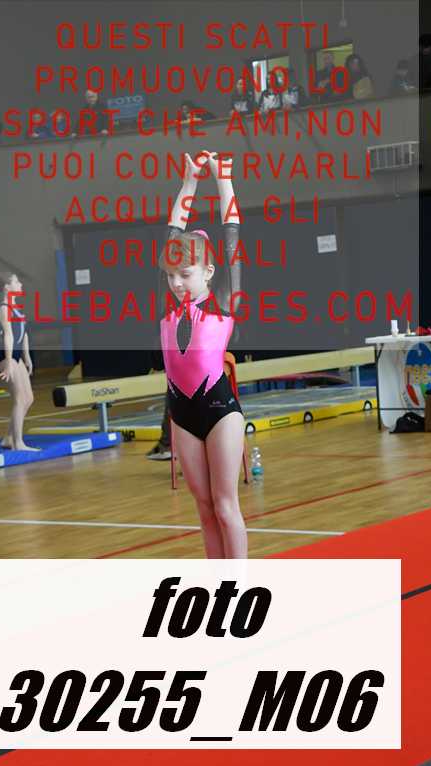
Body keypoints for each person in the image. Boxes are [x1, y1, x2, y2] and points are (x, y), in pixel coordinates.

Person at [158, 150, 247, 558]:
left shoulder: (224, 300)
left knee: (226, 507)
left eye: (185, 274)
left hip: (219, 411)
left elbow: (232, 234)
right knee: (205, 510)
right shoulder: (168, 303)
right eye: (171, 276)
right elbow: (172, 232)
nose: (177, 283)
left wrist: (222, 179)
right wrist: (189, 181)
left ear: (209, 272)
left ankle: (238, 587)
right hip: (181, 414)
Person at [0, 272, 37, 451]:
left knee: (29, 398)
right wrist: (10, 363)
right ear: (6, 287)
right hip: (6, 355)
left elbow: (24, 334)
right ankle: (18, 443)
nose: (20, 284)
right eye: (16, 282)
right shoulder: (4, 308)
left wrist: (27, 358)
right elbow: (8, 336)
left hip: (17, 355)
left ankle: (8, 438)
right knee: (19, 398)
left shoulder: (16, 307)